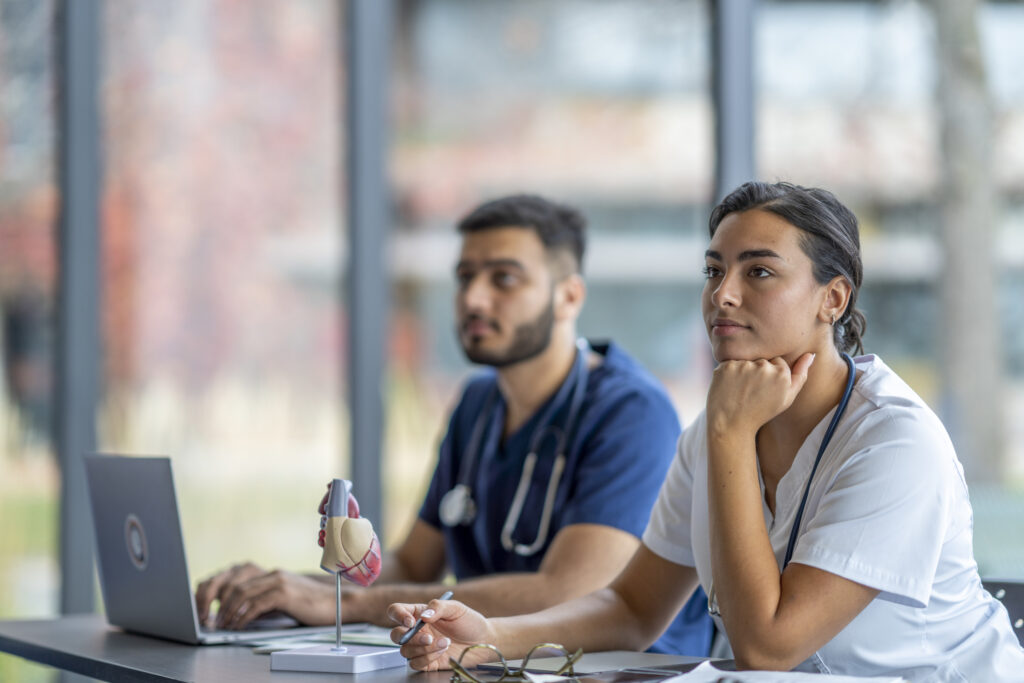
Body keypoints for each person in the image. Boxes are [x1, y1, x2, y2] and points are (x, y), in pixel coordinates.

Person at [388, 182, 1024, 681]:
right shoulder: (715, 427)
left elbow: (769, 647)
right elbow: (634, 609)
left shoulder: (892, 442)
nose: (723, 295)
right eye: (714, 270)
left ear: (833, 300)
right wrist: (491, 637)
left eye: (759, 272)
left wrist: (728, 435)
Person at [195, 194, 714, 656]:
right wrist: (289, 589)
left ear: (569, 297)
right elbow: (413, 566)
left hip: (619, 671)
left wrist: (347, 607)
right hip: (483, 663)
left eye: (503, 279)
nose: (473, 299)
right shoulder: (477, 403)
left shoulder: (630, 411)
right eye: (465, 277)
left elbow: (568, 592)